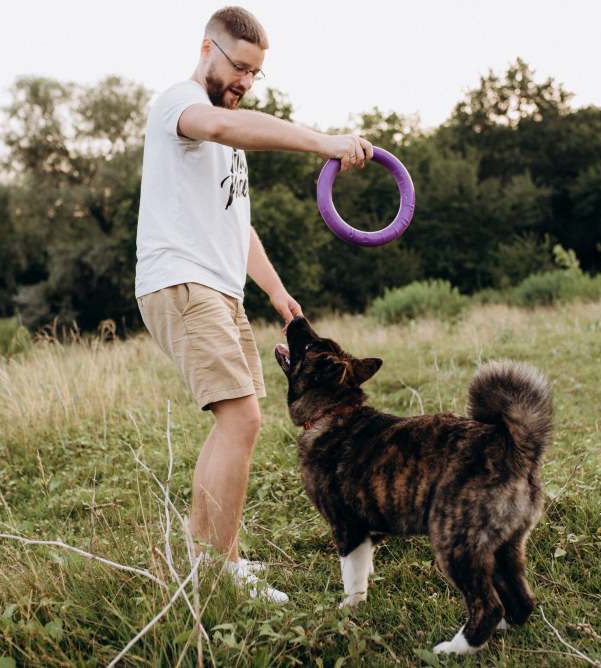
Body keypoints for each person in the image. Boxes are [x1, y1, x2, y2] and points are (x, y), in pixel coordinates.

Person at [135, 6, 373, 602]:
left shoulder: (226, 138)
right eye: (239, 66)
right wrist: (324, 142)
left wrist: (274, 289)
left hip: (219, 285)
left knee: (234, 421)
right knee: (241, 418)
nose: (244, 80)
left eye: (255, 73)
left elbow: (237, 224)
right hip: (182, 281)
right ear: (208, 49)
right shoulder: (179, 103)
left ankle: (208, 557)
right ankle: (222, 570)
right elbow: (220, 127)